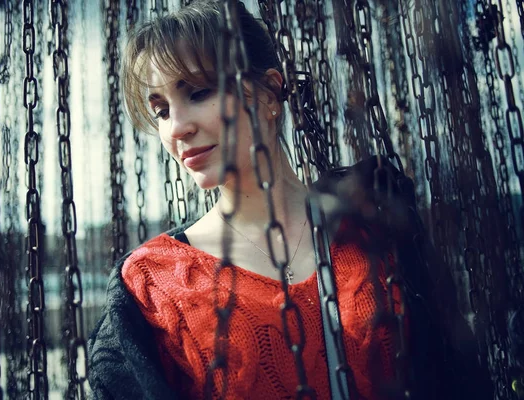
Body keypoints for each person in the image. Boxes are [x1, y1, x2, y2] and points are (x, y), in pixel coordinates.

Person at [88, 1, 491, 399]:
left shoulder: (374, 220)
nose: (177, 128)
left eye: (198, 92)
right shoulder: (150, 283)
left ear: (268, 95)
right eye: (160, 111)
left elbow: (455, 373)